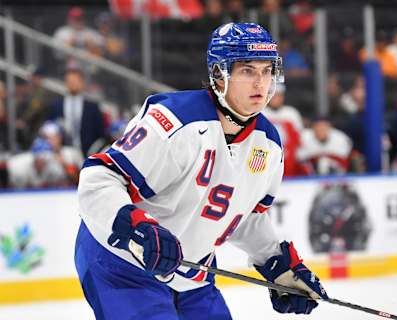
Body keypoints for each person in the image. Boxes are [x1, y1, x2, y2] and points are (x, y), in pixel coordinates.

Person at [75, 22, 328, 320]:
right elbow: (98, 179)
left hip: (194, 275)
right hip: (122, 265)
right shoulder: (174, 121)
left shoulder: (269, 144)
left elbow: (244, 215)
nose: (261, 83)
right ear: (220, 75)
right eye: (248, 71)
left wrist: (276, 261)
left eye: (266, 70)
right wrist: (137, 229)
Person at [48, 69, 106, 157]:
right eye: (69, 81)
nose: (72, 84)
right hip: (63, 155)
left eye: (75, 81)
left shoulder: (92, 107)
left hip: (88, 153)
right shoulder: (56, 105)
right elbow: (50, 127)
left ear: (82, 83)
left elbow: (100, 133)